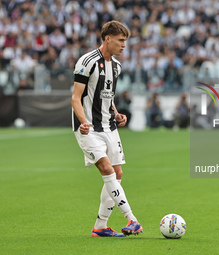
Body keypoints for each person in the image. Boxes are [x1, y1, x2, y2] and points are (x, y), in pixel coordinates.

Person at [71, 20, 143, 237]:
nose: (124, 45)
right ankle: (132, 219)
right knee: (106, 168)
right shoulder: (87, 61)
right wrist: (84, 122)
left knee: (117, 172)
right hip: (88, 127)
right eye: (121, 41)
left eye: (125, 41)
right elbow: (75, 98)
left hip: (109, 126)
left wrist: (116, 112)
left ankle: (100, 227)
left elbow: (107, 96)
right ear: (108, 38)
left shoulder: (117, 66)